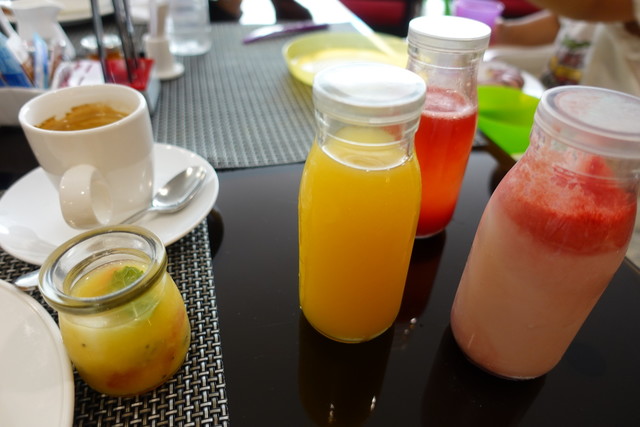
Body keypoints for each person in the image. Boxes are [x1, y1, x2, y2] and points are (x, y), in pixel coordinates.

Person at [493, 0, 640, 96]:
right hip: (558, 108)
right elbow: (561, 20)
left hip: (608, 127)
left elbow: (589, 7)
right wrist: (504, 33)